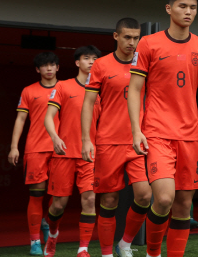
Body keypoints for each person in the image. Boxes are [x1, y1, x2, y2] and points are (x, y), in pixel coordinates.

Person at [128, 0, 198, 257]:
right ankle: (153, 252)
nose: (188, 11)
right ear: (169, 9)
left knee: (183, 205)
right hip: (157, 132)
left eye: (193, 7)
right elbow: (134, 89)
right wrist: (136, 130)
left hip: (191, 135)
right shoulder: (148, 43)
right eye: (182, 6)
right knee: (164, 198)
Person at [81, 18, 152, 257]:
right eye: (127, 37)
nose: (132, 42)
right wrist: (86, 139)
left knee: (144, 195)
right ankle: (106, 253)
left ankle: (125, 244)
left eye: (136, 38)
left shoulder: (144, 63)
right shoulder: (100, 65)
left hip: (137, 141)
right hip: (108, 141)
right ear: (115, 36)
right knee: (109, 201)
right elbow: (89, 103)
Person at [43, 46, 103, 257]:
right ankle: (52, 234)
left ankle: (83, 249)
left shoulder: (101, 90)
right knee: (58, 205)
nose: (91, 62)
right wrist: (55, 137)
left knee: (89, 200)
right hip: (64, 154)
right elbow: (48, 117)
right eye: (87, 58)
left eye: (95, 59)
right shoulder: (63, 86)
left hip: (89, 156)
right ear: (77, 63)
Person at [9, 52, 60, 256]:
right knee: (37, 195)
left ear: (58, 68)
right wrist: (14, 146)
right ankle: (34, 242)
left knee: (58, 196)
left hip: (60, 149)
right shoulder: (29, 91)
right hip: (36, 148)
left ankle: (48, 225)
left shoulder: (66, 88)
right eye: (44, 66)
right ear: (37, 69)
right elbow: (20, 120)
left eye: (52, 65)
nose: (48, 68)